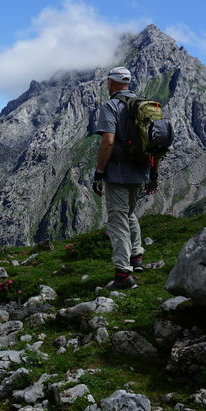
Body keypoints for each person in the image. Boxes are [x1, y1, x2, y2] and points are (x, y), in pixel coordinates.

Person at [91, 66, 158, 289]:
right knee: (128, 214)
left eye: (107, 82)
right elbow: (155, 144)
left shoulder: (110, 106)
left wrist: (99, 172)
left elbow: (108, 141)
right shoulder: (145, 108)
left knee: (117, 220)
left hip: (118, 172)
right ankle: (137, 257)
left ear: (111, 83)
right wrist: (153, 174)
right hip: (140, 171)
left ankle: (123, 274)